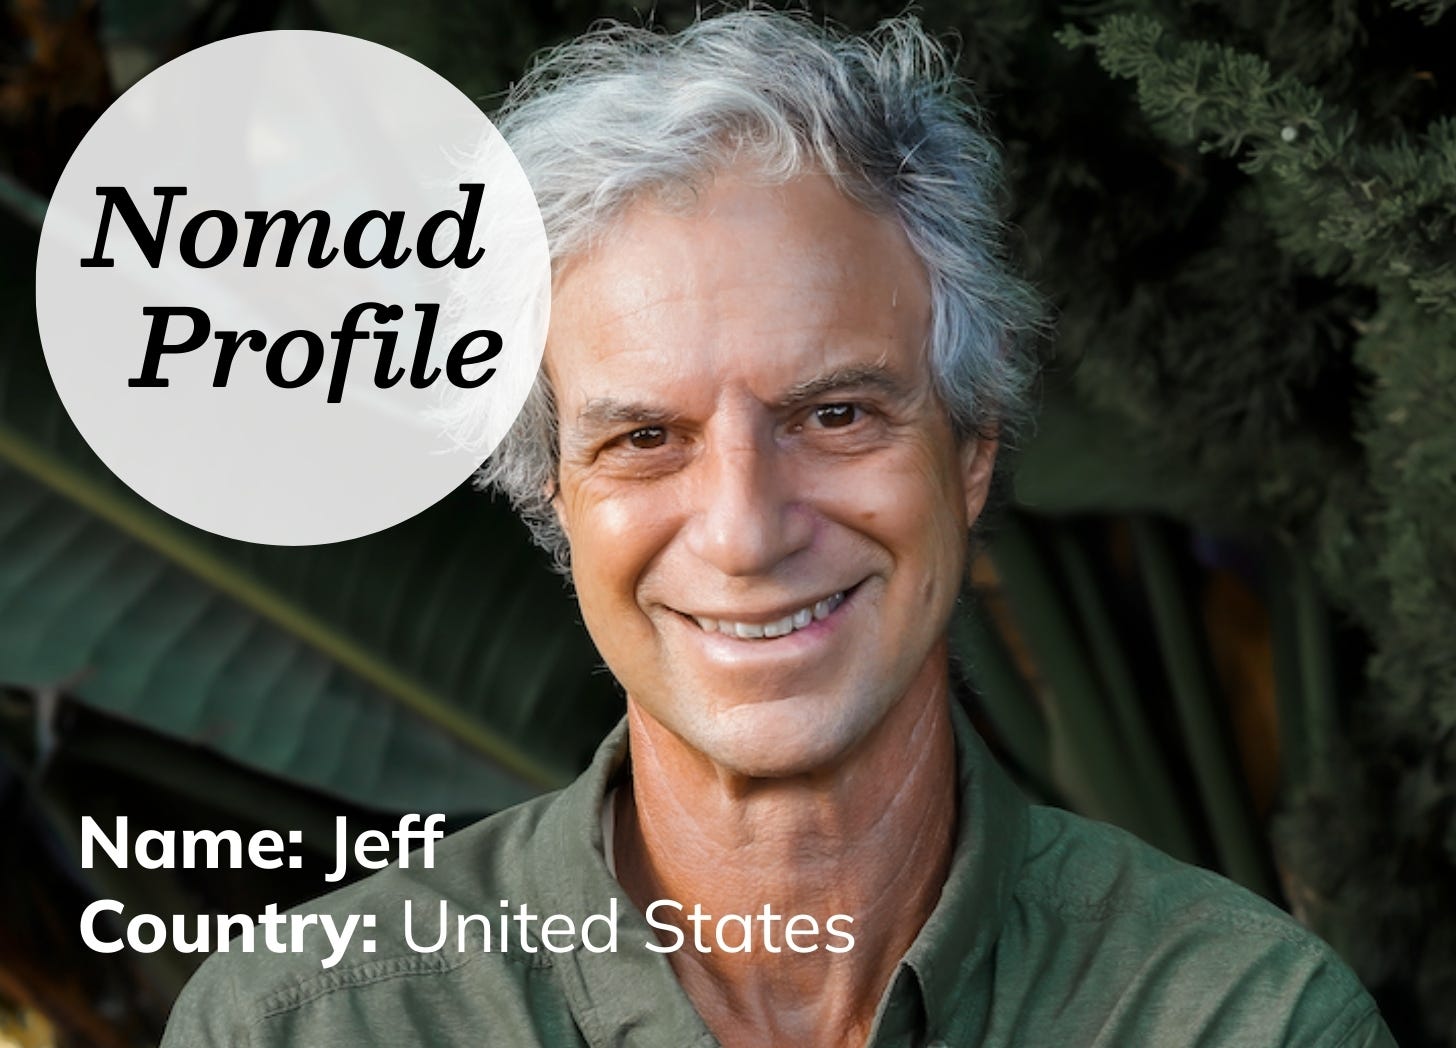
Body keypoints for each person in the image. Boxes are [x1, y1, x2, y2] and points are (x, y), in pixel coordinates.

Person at [162, 10, 1397, 1047]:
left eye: (836, 412)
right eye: (645, 437)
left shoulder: (1239, 1019)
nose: (746, 529)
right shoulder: (305, 1023)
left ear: (970, 452)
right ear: (552, 489)